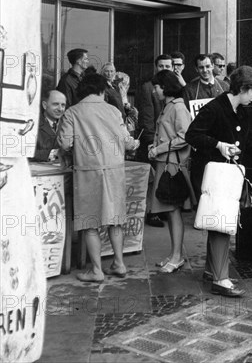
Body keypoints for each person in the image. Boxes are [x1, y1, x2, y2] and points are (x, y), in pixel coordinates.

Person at [185, 66, 252, 297]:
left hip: (224, 173)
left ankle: (212, 270)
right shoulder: (215, 108)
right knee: (221, 222)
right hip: (212, 173)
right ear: (243, 88)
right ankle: (220, 279)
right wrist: (218, 145)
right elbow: (191, 135)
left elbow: (245, 142)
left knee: (219, 222)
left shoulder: (239, 109)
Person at [57, 73, 139, 282]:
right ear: (102, 90)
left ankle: (96, 270)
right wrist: (133, 144)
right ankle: (119, 263)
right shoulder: (113, 110)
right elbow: (126, 141)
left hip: (87, 172)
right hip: (114, 171)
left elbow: (65, 143)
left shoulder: (72, 113)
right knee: (115, 220)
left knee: (91, 222)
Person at [148, 70, 195, 273]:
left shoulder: (177, 108)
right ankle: (175, 254)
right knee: (170, 210)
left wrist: (157, 149)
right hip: (167, 164)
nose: (154, 90)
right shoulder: (169, 107)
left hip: (173, 166)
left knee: (174, 210)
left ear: (165, 87)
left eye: (157, 86)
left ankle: (177, 257)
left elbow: (185, 136)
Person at [136, 54, 173, 227]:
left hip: (168, 141)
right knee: (153, 178)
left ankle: (161, 210)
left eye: (168, 66)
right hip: (154, 140)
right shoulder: (148, 87)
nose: (165, 70)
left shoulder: (173, 86)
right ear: (156, 67)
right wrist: (151, 141)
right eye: (161, 66)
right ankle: (152, 212)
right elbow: (147, 117)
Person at [32, 90, 66, 162]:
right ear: (44, 105)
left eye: (63, 105)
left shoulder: (68, 124)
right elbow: (25, 152)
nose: (60, 109)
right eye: (55, 104)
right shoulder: (32, 125)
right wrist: (50, 154)